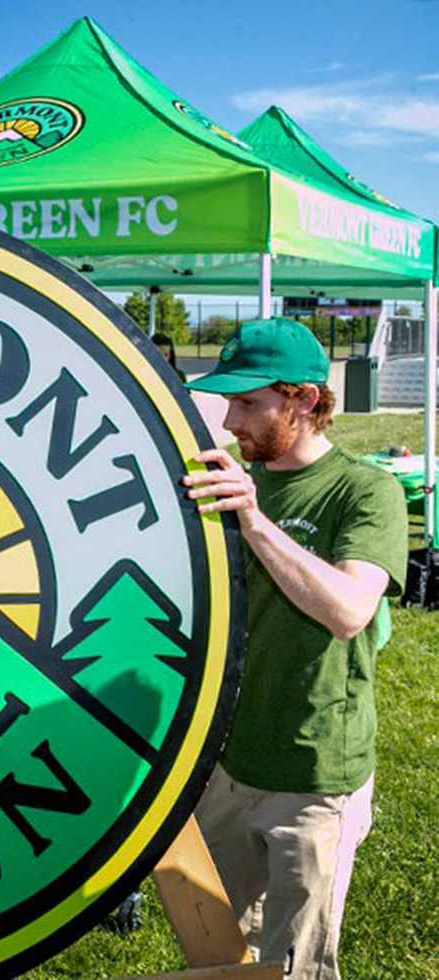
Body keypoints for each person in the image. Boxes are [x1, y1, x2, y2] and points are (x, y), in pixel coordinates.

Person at [182, 319, 407, 979]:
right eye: (228, 402)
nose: (229, 421)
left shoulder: (364, 491)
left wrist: (252, 521)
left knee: (296, 964)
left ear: (305, 400)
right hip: (224, 762)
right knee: (223, 954)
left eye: (248, 403)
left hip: (312, 772)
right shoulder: (224, 478)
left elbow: (347, 610)